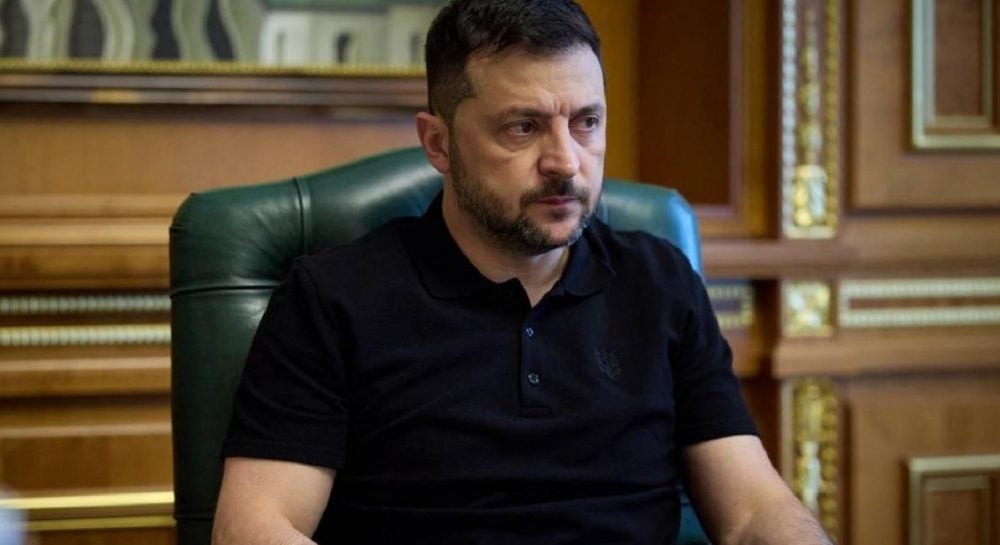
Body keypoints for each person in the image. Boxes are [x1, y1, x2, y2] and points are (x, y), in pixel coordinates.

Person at [212, 1, 832, 544]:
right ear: (438, 144)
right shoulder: (334, 297)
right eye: (523, 127)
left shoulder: (659, 281)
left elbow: (754, 511)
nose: (565, 161)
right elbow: (255, 528)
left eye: (586, 122)